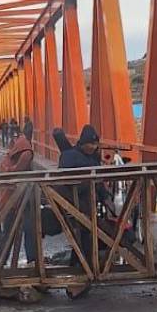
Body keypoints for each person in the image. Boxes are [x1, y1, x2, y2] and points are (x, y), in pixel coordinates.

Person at [57, 125, 104, 298]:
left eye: (95, 144)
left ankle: (82, 271)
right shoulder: (70, 156)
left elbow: (99, 182)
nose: (93, 147)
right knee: (81, 237)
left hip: (88, 205)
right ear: (83, 142)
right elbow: (65, 179)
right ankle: (82, 272)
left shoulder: (93, 157)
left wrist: (105, 196)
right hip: (73, 205)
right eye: (91, 144)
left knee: (85, 237)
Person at [0, 135, 37, 267]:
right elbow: (20, 168)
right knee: (26, 229)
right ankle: (31, 259)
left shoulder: (7, 159)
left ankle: (0, 262)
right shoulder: (25, 154)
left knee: (10, 232)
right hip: (15, 200)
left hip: (14, 200)